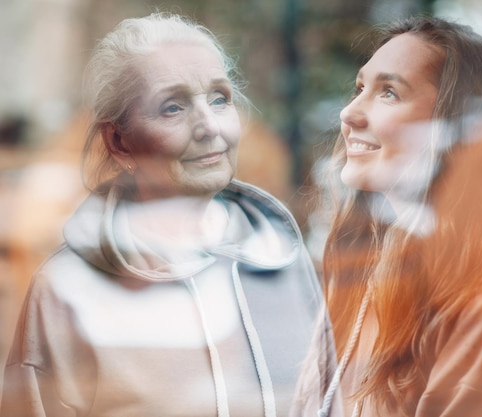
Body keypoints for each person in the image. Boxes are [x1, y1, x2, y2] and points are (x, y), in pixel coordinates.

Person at [0, 13, 322, 417]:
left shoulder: (281, 258)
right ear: (119, 142)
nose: (210, 126)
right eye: (172, 107)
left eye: (219, 98)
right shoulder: (64, 288)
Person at [291, 15, 482, 417]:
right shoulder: (371, 271)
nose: (348, 113)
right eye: (360, 88)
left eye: (389, 93)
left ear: (457, 128)